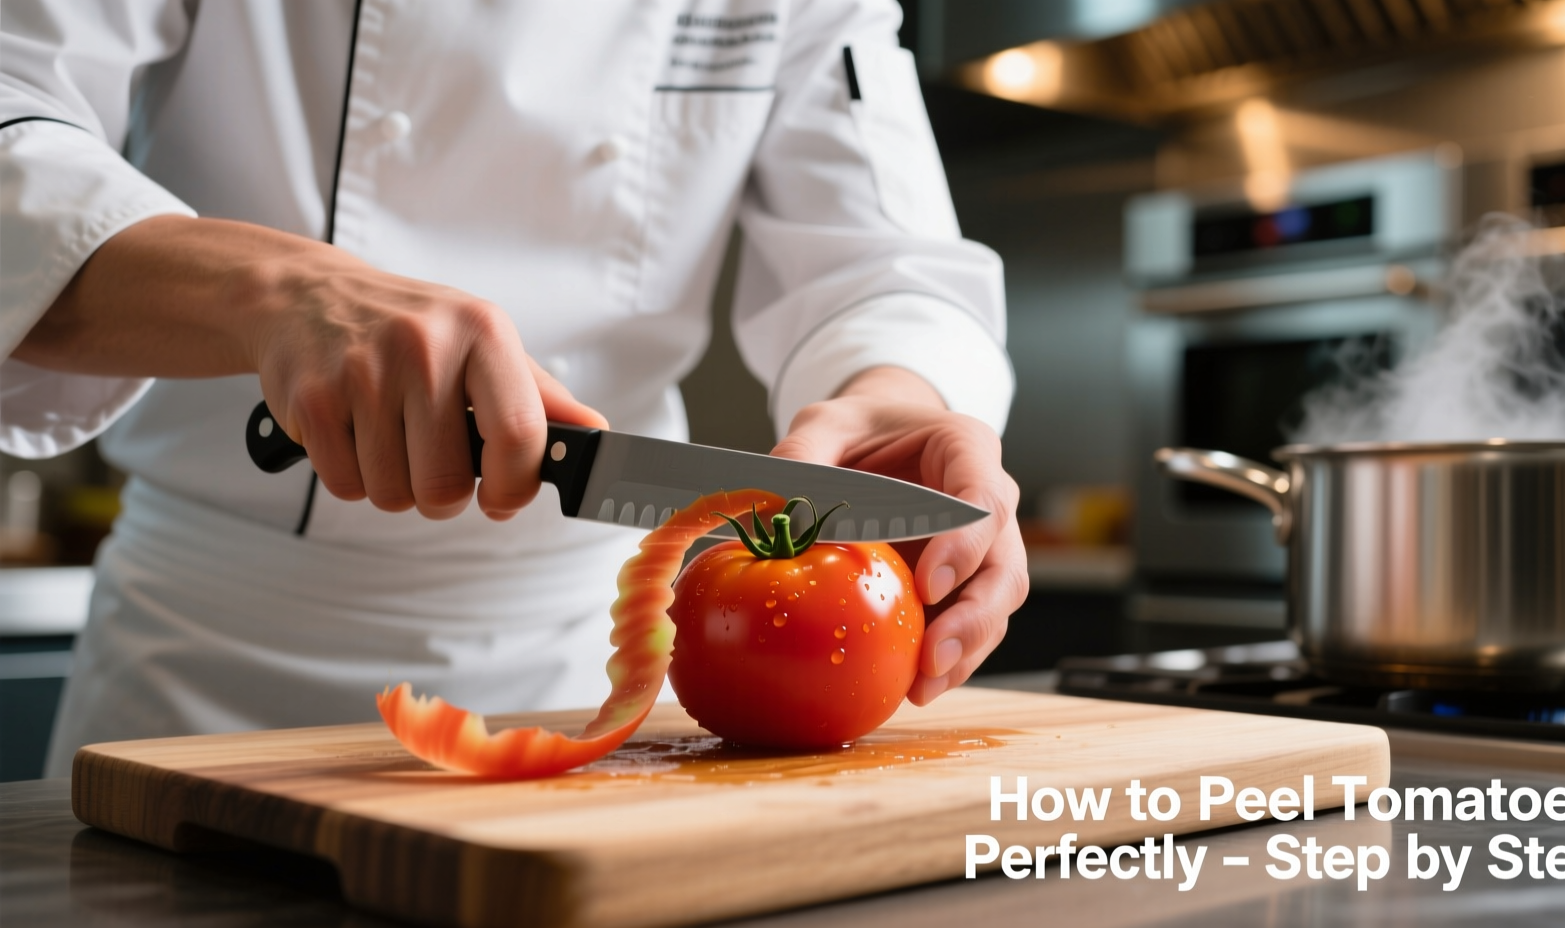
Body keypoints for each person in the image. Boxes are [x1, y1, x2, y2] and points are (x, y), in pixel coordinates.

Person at [0, 1, 1026, 777]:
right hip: (205, 666)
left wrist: (900, 390)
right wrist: (272, 289)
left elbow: (886, 258)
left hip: (590, 666)